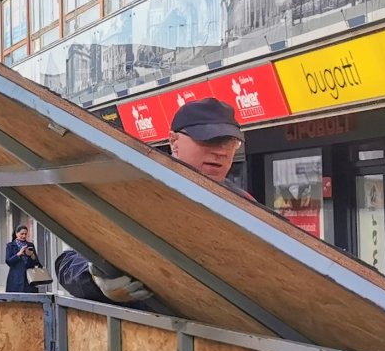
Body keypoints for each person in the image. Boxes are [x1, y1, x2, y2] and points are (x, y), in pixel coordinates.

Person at [58, 97, 250, 306]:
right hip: (148, 333)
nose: (221, 151)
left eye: (229, 143)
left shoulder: (246, 207)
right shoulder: (135, 198)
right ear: (174, 141)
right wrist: (95, 279)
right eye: (207, 140)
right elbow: (67, 263)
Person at [4, 225, 41, 293]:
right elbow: (8, 261)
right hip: (15, 277)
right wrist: (19, 254)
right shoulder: (10, 246)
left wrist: (32, 255)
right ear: (16, 233)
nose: (24, 236)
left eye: (25, 234)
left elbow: (36, 263)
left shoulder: (30, 245)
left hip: (29, 278)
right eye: (22, 234)